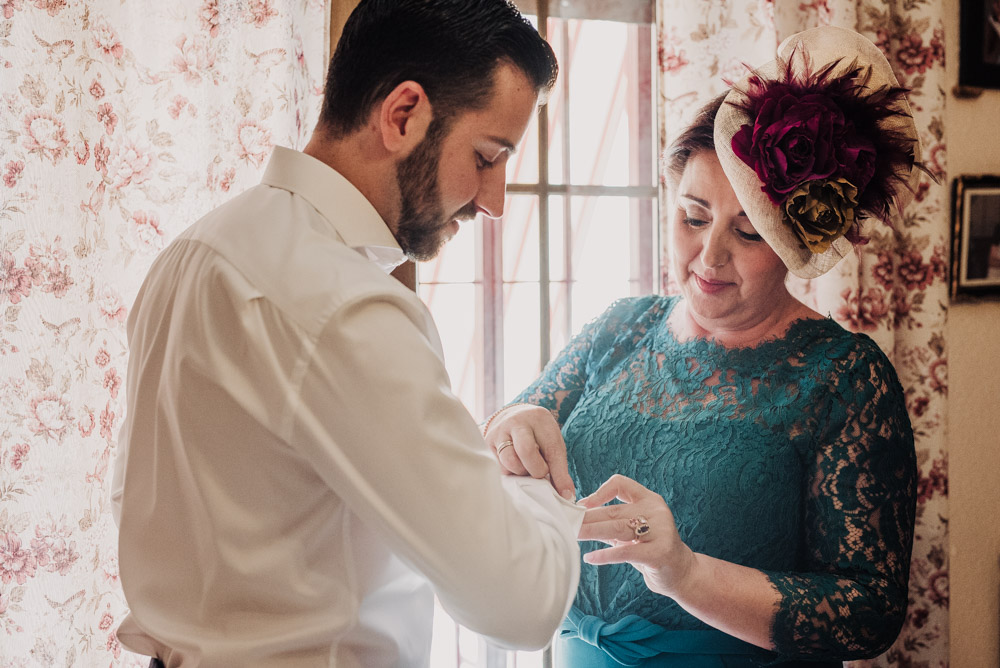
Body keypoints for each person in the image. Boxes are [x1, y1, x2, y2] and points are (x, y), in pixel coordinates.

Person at [110, 1, 584, 666]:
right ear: (402, 114)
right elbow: (521, 602)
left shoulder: (195, 252)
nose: (494, 201)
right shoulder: (345, 305)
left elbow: (148, 499)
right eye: (486, 156)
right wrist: (535, 490)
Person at [484, 26, 920, 667]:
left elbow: (869, 611)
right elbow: (510, 436)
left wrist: (685, 572)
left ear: (795, 244)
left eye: (748, 232)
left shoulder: (845, 377)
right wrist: (512, 421)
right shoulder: (620, 328)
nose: (709, 256)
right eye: (693, 217)